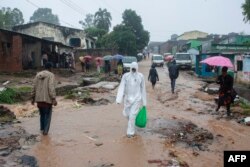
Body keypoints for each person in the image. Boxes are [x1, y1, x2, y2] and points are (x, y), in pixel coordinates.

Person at [116, 62, 147, 138]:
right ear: (130, 68)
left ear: (137, 68)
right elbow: (122, 87)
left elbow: (143, 89)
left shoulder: (140, 76)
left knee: (132, 116)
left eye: (134, 68)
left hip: (137, 99)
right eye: (132, 68)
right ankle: (132, 122)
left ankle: (130, 133)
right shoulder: (126, 76)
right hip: (127, 99)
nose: (133, 70)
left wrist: (144, 101)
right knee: (127, 114)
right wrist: (119, 99)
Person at [31, 62, 57, 135]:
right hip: (47, 100)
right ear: (50, 68)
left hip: (38, 100)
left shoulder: (37, 75)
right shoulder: (51, 75)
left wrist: (32, 98)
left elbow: (33, 87)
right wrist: (53, 98)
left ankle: (41, 129)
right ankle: (45, 132)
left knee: (42, 115)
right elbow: (51, 87)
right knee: (47, 116)